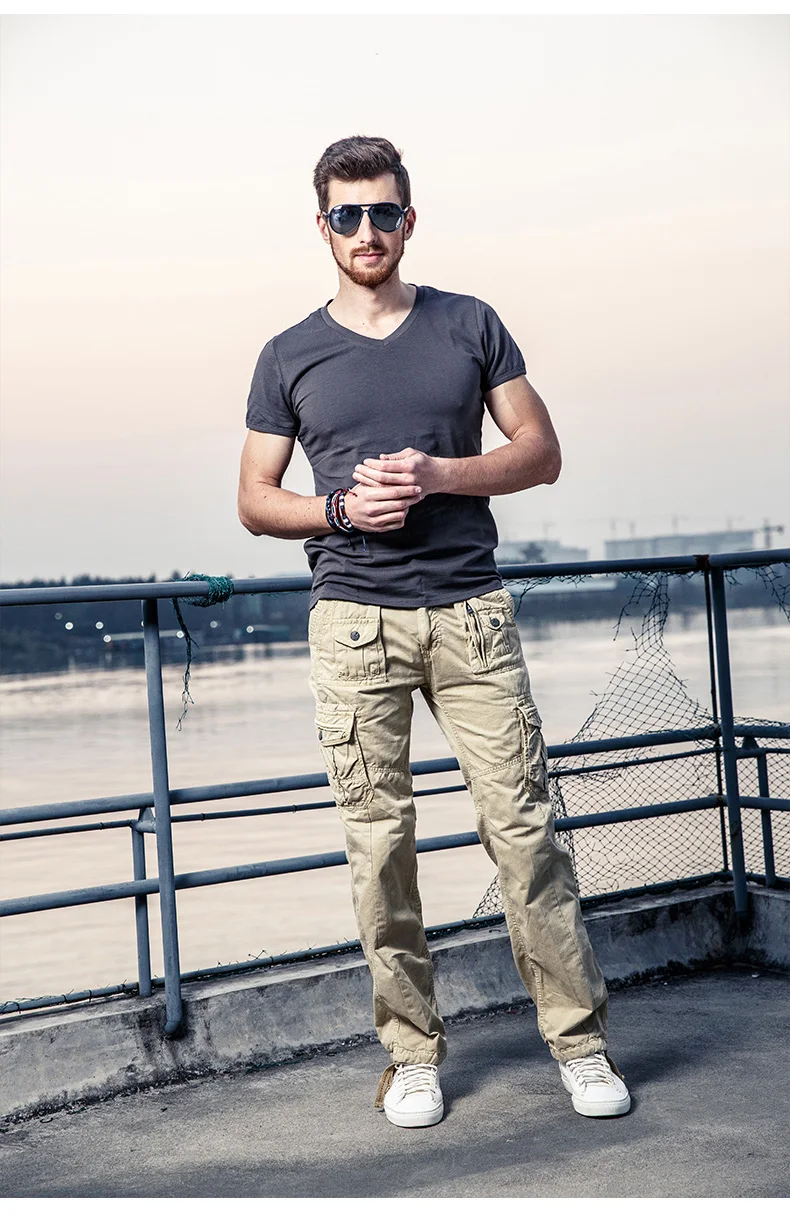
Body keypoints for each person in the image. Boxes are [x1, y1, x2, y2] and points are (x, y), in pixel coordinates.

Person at [238, 135, 630, 1128]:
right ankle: (411, 1057)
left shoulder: (469, 323)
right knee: (379, 849)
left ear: (408, 221)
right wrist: (339, 511)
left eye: (382, 212)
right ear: (322, 227)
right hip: (353, 624)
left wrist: (438, 474)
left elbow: (539, 451)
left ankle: (580, 1046)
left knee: (525, 834)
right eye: (347, 215)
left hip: (469, 613)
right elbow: (254, 499)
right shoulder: (287, 353)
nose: (366, 230)